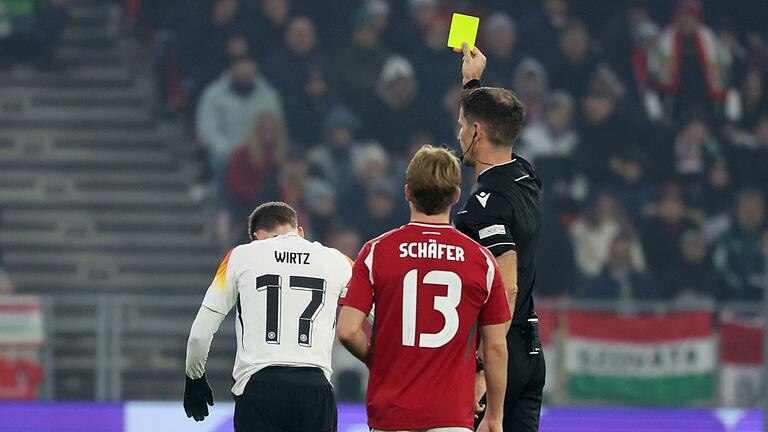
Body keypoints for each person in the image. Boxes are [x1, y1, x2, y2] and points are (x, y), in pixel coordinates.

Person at [337, 145, 511, 432]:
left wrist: (375, 360)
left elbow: (347, 330)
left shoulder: (377, 251)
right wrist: (495, 414)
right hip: (451, 415)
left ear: (407, 193)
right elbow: (495, 346)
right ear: (456, 196)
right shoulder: (481, 260)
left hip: (391, 414)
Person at [183, 202, 353, 431]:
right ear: (299, 231)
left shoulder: (240, 256)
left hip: (259, 388)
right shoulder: (339, 261)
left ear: (255, 237)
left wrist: (195, 377)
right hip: (315, 389)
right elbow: (378, 313)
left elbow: (199, 334)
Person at [451, 43, 545, 431]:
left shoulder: (483, 206)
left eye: (462, 126)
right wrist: (473, 83)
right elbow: (493, 124)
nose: (457, 135)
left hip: (499, 354)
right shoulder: (526, 175)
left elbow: (505, 288)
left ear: (476, 132)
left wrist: (483, 369)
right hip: (531, 350)